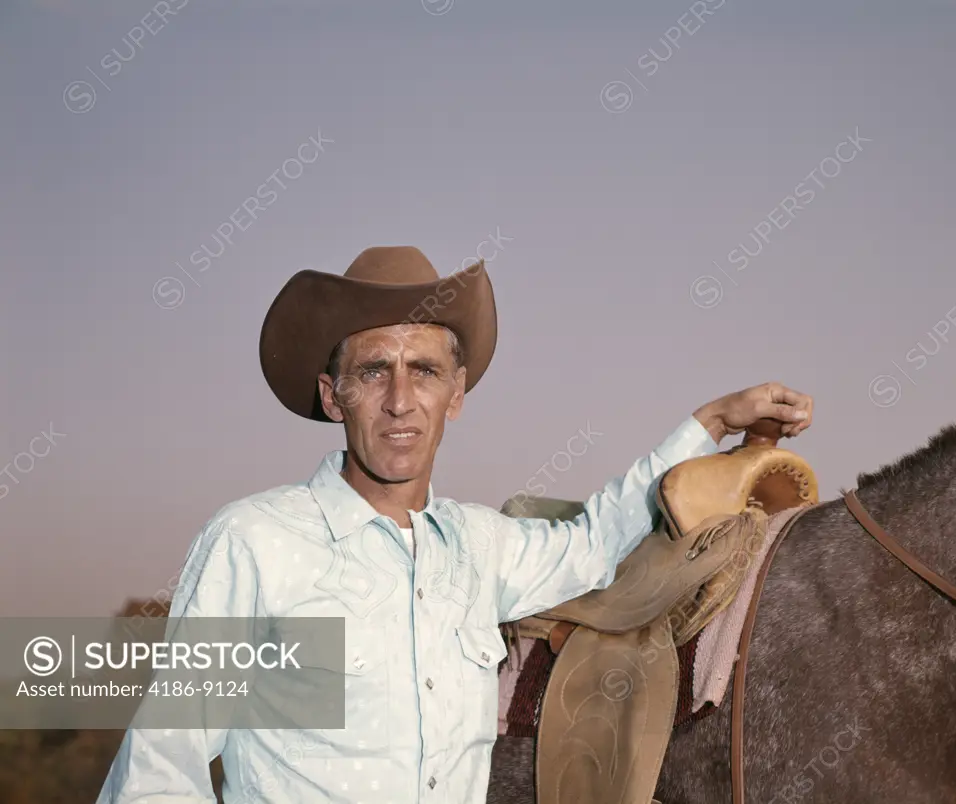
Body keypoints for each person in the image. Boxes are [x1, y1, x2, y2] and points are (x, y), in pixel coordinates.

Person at [97, 245, 813, 804]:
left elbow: (597, 543)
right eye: (374, 371)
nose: (401, 400)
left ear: (456, 394)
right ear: (333, 395)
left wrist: (710, 421)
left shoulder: (480, 548)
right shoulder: (253, 543)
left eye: (426, 371)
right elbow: (161, 771)